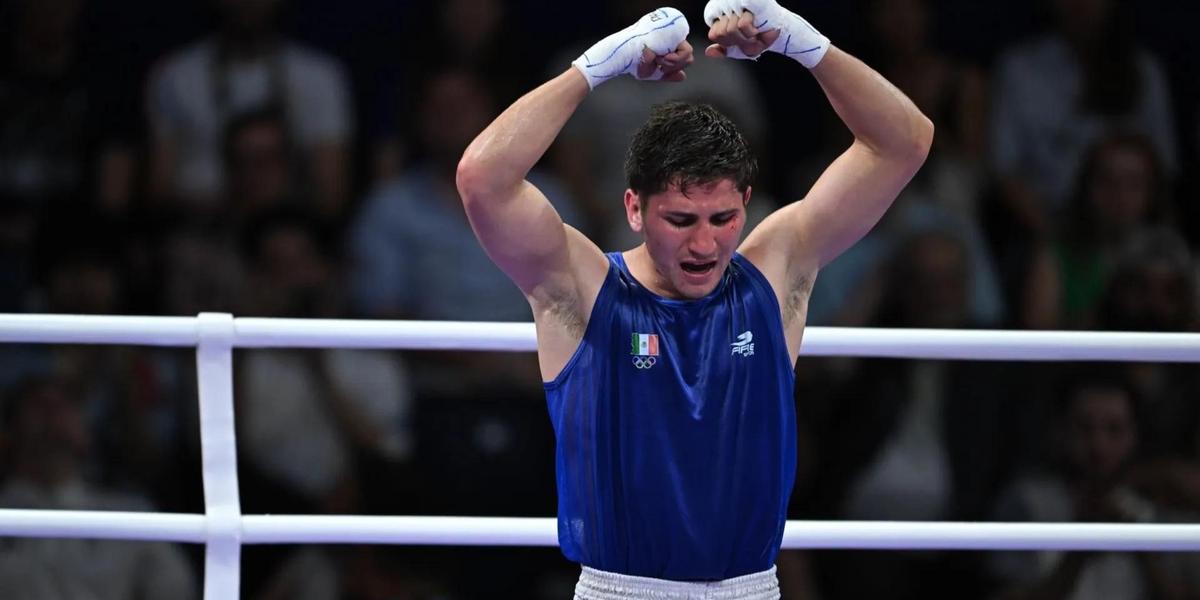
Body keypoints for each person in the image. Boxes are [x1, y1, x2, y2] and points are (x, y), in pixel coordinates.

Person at [455, 2, 932, 598]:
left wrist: (797, 38)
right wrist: (608, 60)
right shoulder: (579, 288)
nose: (705, 242)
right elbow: (483, 178)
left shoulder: (775, 272)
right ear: (634, 208)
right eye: (680, 219)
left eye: (722, 218)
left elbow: (905, 141)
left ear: (747, 203)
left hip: (750, 588)